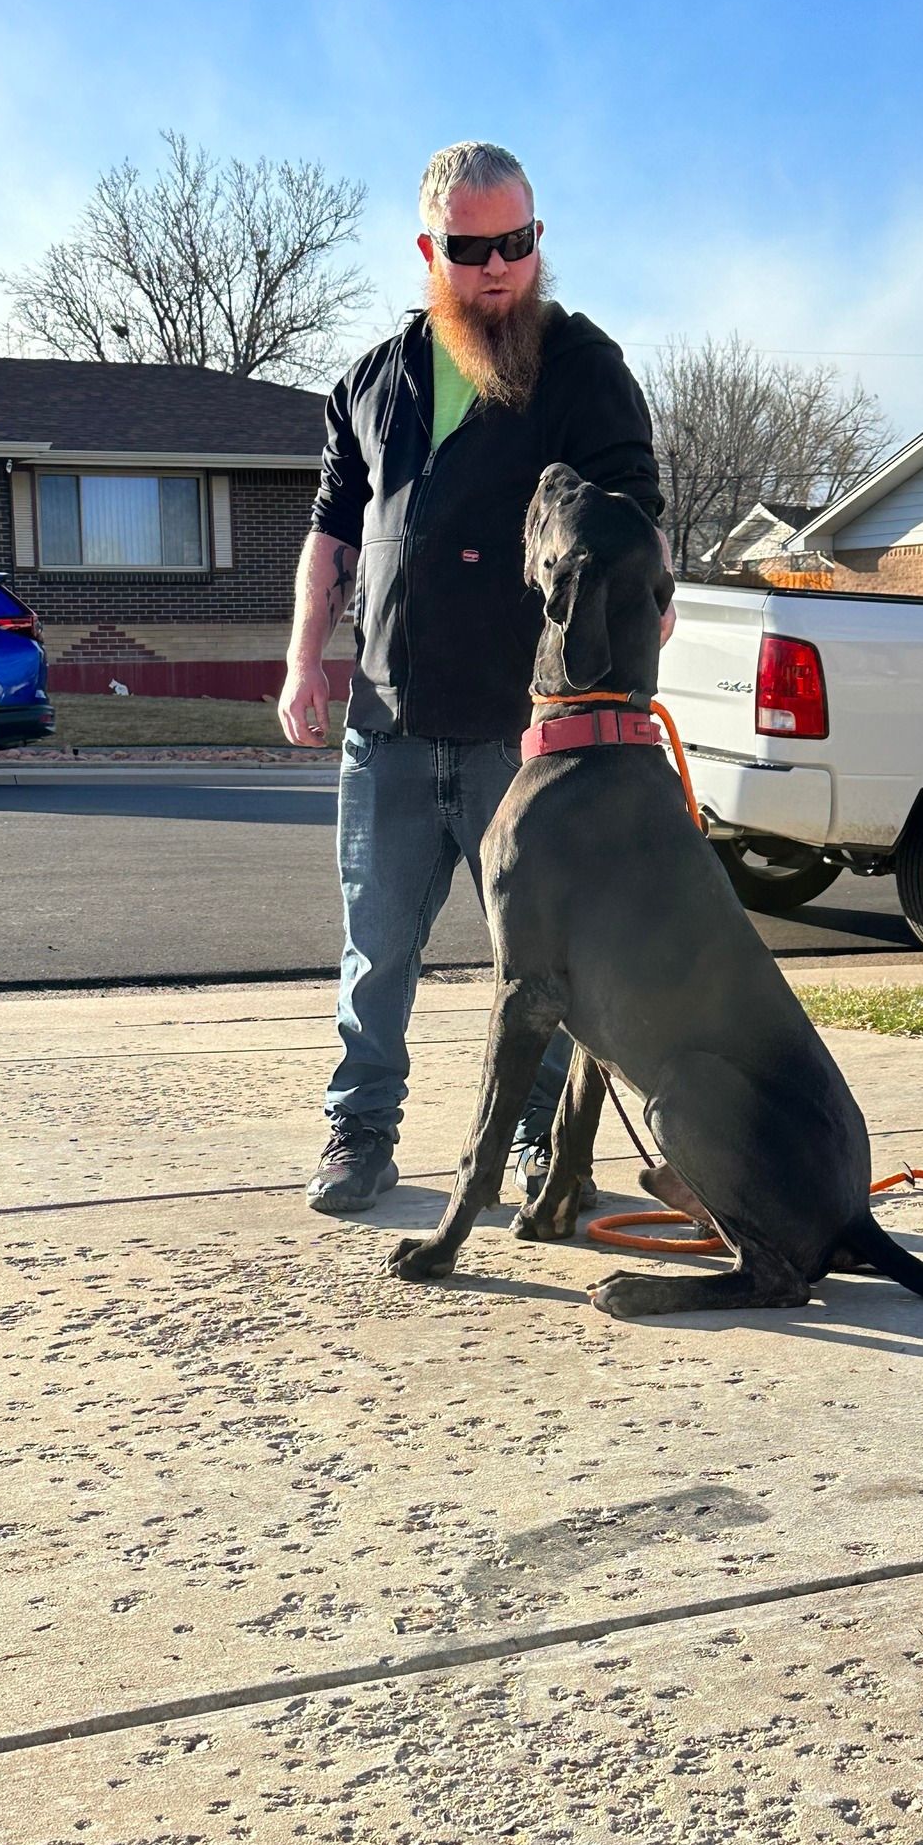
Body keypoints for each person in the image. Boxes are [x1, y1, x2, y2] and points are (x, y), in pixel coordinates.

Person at [279, 140, 675, 1213]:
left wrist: (641, 641)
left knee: (545, 960)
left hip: (527, 732)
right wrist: (303, 656)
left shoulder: (581, 364)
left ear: (537, 239)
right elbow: (332, 531)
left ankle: (551, 1146)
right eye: (472, 248)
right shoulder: (372, 379)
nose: (498, 266)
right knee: (377, 949)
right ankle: (359, 1132)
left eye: (518, 242)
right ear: (429, 248)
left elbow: (636, 516)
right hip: (390, 723)